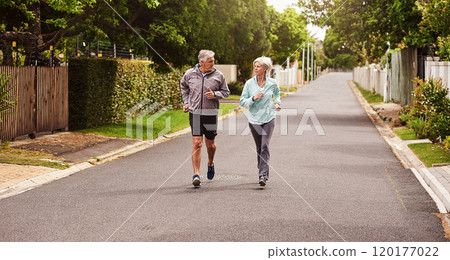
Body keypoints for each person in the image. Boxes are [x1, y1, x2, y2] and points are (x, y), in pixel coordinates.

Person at [180, 50, 230, 187]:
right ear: (202, 62)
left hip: (210, 113)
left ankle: (210, 163)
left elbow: (226, 92)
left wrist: (215, 94)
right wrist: (186, 102)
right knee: (197, 143)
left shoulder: (218, 75)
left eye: (213, 61)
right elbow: (184, 87)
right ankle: (196, 174)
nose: (213, 63)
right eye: (210, 61)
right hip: (195, 113)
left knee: (210, 145)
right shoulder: (189, 74)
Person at [240, 56, 281, 186]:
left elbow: (277, 94)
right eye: (255, 66)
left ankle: (262, 175)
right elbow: (242, 101)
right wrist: (253, 98)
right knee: (259, 147)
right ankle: (262, 166)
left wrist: (277, 103)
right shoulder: (249, 84)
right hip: (254, 120)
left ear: (265, 69)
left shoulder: (272, 83)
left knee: (264, 146)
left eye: (258, 66)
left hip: (269, 118)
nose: (255, 68)